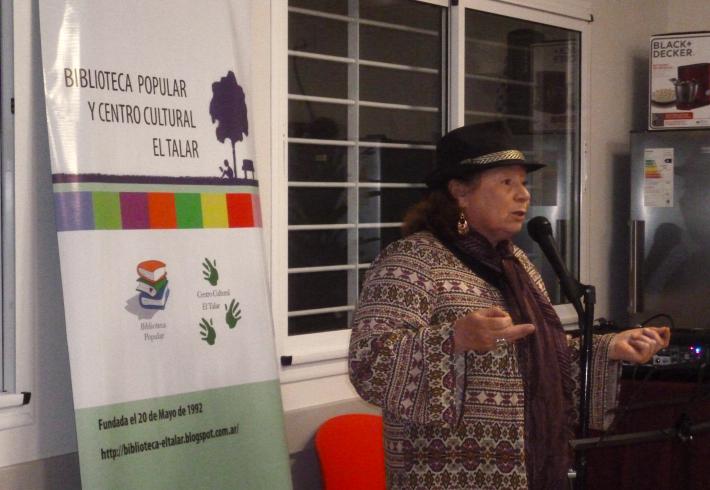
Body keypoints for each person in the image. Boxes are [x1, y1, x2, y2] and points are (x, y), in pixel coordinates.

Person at [348, 122, 670, 490]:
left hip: (529, 469)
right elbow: (369, 364)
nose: (524, 195)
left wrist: (609, 347)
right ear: (460, 192)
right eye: (506, 183)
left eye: (524, 183)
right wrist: (454, 339)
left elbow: (533, 353)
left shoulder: (516, 264)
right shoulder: (411, 261)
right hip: (447, 474)